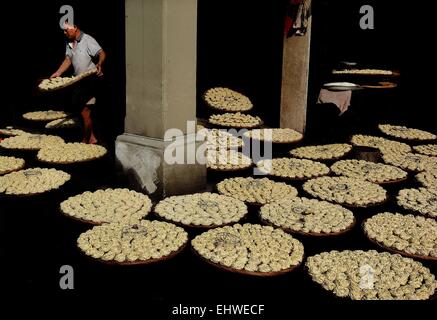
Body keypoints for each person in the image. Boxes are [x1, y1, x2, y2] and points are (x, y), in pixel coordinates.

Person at [51, 22, 106, 144]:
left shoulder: (87, 39)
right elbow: (68, 59)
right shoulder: (69, 42)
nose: (64, 33)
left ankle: (85, 140)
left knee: (85, 111)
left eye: (66, 30)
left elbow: (101, 53)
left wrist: (100, 64)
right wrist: (58, 73)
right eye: (63, 31)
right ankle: (92, 138)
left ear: (75, 27)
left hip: (89, 82)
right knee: (81, 112)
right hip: (78, 83)